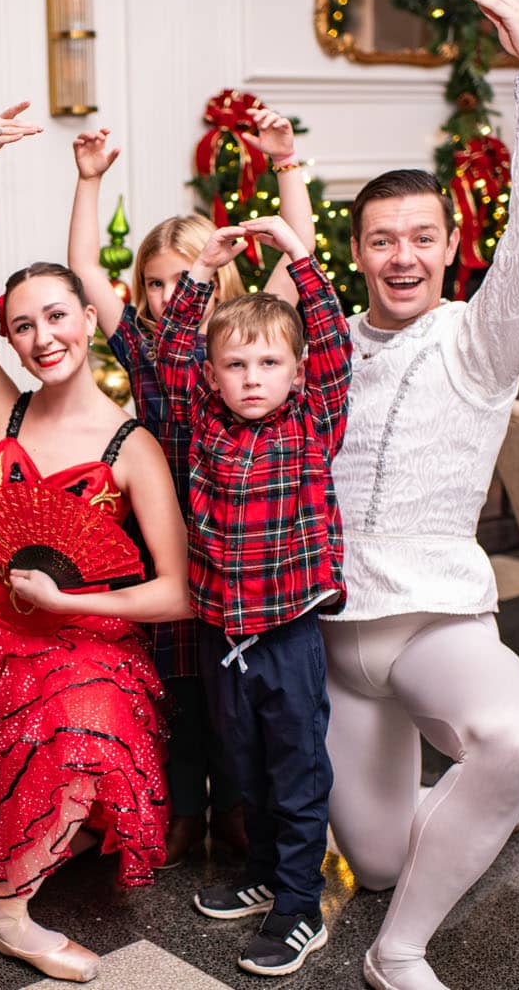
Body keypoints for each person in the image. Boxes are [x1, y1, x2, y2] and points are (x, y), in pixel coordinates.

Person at [316, 0, 519, 988]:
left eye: (421, 238)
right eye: (382, 239)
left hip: (433, 625)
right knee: (382, 862)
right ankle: (508, 801)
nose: (403, 256)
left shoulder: (480, 339)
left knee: (514, 736)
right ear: (358, 253)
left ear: (449, 245)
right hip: (336, 643)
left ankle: (398, 953)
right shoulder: (319, 345)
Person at [0, 104, 191, 983]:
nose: (43, 338)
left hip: (83, 636)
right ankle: (2, 858)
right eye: (22, 326)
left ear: (87, 315)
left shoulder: (132, 444)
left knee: (85, 729)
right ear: (8, 338)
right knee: (11, 740)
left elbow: (176, 591)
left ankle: (9, 910)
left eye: (56, 316)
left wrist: (68, 598)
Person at [67, 111, 315, 867]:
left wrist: (286, 165)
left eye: (185, 278)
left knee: (229, 684)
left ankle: (235, 807)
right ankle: (181, 809)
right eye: (156, 282)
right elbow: (84, 269)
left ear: (217, 276)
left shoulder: (246, 345)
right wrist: (88, 181)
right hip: (163, 536)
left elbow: (296, 252)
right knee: (175, 682)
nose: (171, 293)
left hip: (234, 542)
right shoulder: (147, 348)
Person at [157, 217, 349, 977]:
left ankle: (301, 906)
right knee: (244, 767)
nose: (252, 378)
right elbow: (174, 353)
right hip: (221, 634)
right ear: (213, 377)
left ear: (297, 373)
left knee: (296, 772)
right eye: (235, 365)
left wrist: (298, 257)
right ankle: (267, 873)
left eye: (270, 363)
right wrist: (202, 269)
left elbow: (331, 343)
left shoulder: (312, 421)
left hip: (288, 635)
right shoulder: (201, 420)